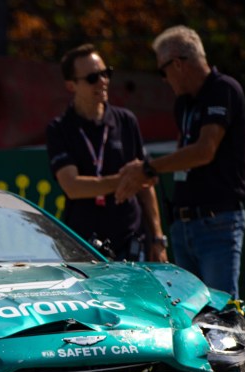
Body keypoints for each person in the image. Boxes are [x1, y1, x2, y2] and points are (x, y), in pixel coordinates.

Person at [116, 26, 245, 299]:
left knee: (219, 314)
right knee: (190, 314)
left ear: (177, 63)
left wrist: (149, 169)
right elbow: (183, 156)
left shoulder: (223, 89)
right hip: (184, 225)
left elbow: (204, 150)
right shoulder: (184, 104)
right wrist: (147, 174)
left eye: (162, 72)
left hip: (216, 223)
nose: (164, 80)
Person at [46, 44, 167, 262]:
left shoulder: (126, 121)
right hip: (82, 248)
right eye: (93, 77)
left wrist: (158, 239)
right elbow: (73, 186)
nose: (103, 81)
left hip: (130, 242)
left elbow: (146, 185)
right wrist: (126, 179)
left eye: (106, 73)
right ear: (71, 85)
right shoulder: (59, 129)